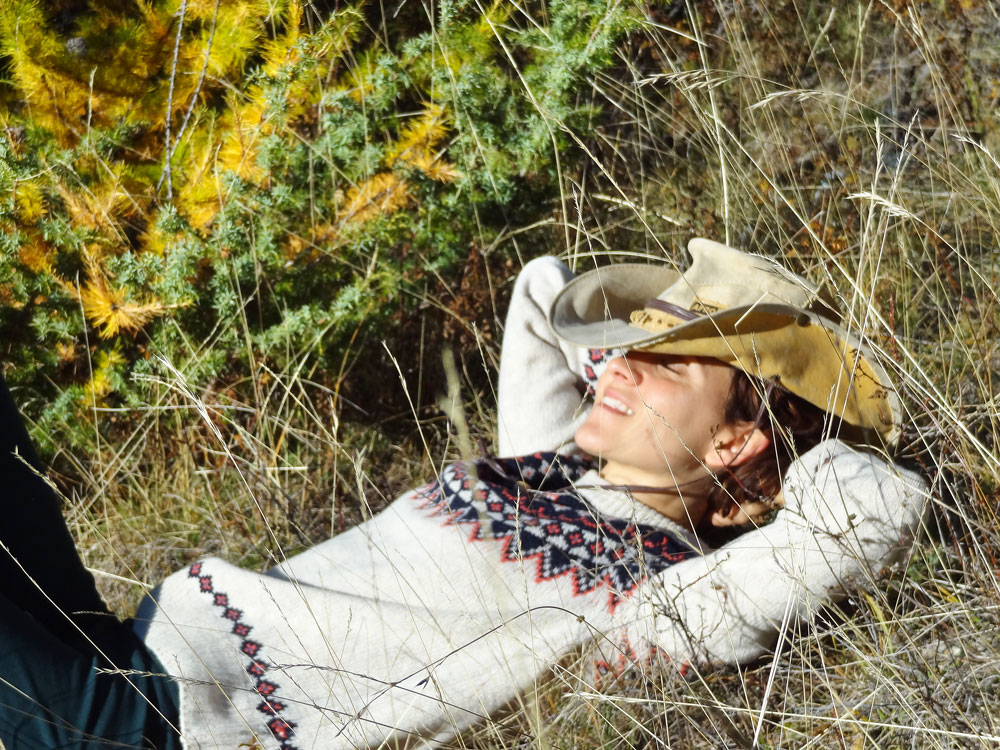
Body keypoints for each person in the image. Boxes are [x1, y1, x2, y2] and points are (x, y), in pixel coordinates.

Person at [0, 238, 926, 749]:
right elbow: (542, 291)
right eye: (623, 352)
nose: (618, 369)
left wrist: (778, 466)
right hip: (126, 647)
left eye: (661, 366)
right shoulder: (557, 461)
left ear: (738, 436)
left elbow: (876, 511)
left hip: (156, 732)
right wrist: (658, 355)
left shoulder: (659, 606)